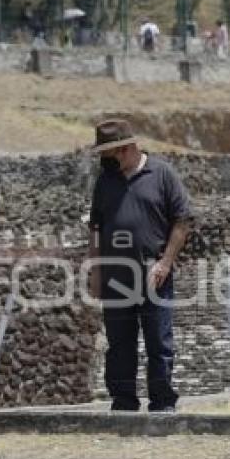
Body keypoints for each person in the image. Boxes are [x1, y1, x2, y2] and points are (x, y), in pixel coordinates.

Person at [89, 119, 192, 413]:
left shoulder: (162, 174)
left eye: (109, 155)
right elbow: (95, 227)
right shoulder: (105, 180)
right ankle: (123, 404)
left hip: (153, 276)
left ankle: (162, 404)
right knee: (119, 345)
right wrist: (96, 271)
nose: (105, 162)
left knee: (159, 342)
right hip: (115, 277)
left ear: (126, 149)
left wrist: (165, 263)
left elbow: (182, 221)